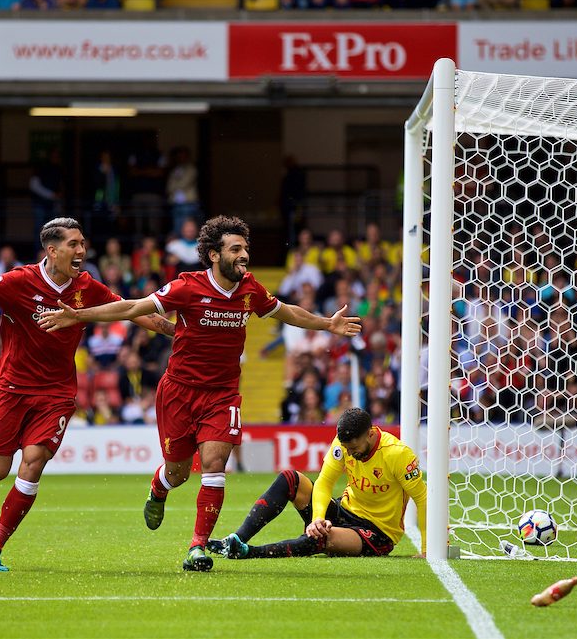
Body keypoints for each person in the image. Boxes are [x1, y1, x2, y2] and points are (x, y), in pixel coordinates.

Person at [37, 215, 361, 572]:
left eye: (245, 249)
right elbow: (132, 307)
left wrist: (326, 323)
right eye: (235, 249)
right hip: (178, 392)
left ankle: (197, 547)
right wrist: (78, 315)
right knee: (177, 473)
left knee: (214, 465)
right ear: (212, 254)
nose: (244, 255)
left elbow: (286, 312)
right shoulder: (186, 287)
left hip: (222, 396)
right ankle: (159, 489)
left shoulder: (250, 289)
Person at [0, 217, 174, 572]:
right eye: (74, 244)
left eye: (83, 243)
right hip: (12, 388)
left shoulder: (86, 287)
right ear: (52, 251)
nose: (82, 250)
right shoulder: (20, 281)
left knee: (34, 463)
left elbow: (132, 311)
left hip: (56, 393)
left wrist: (178, 333)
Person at [208, 407, 426, 560]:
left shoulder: (397, 454)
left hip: (377, 532)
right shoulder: (342, 444)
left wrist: (428, 548)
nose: (349, 453)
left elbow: (422, 498)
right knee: (290, 478)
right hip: (345, 510)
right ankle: (236, 540)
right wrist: (318, 518)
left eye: (354, 448)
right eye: (347, 449)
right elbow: (324, 482)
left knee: (319, 539)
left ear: (370, 434)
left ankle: (248, 552)